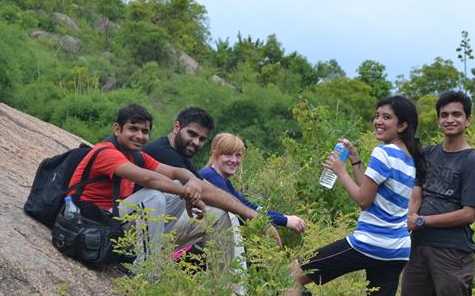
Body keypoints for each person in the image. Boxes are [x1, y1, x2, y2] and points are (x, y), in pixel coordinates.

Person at [284, 95, 423, 296]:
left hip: (369, 243)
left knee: (293, 273)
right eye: (377, 115)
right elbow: (372, 192)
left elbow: (362, 200)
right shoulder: (409, 158)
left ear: (402, 125)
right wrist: (357, 161)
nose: (378, 121)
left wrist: (341, 171)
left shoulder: (383, 152)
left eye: (386, 117)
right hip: (397, 250)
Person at [68, 104, 255, 266]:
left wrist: (192, 183)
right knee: (154, 194)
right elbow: (150, 179)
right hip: (96, 224)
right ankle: (147, 270)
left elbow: (175, 172)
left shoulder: (138, 156)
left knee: (219, 214)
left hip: (127, 228)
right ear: (117, 129)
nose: (139, 136)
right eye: (133, 129)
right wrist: (189, 192)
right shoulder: (106, 153)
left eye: (145, 131)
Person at [394, 90, 475, 296]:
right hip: (419, 249)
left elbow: (468, 213)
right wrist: (411, 215)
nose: (450, 120)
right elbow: (417, 188)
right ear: (438, 121)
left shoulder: (471, 161)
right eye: (444, 115)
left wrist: (422, 221)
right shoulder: (430, 153)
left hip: (452, 251)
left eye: (456, 114)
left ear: (468, 120)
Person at [140, 107, 260, 263]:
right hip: (138, 223)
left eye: (202, 139)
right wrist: (253, 216)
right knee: (183, 188)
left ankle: (229, 286)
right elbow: (204, 190)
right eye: (192, 134)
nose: (196, 142)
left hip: (159, 224)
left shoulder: (182, 157)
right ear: (177, 127)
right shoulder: (161, 151)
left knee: (220, 215)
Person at [199, 132, 308, 237]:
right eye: (228, 154)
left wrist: (284, 217)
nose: (234, 160)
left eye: (238, 155)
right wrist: (284, 221)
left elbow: (249, 206)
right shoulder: (210, 177)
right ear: (215, 155)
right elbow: (242, 212)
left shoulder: (222, 180)